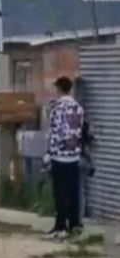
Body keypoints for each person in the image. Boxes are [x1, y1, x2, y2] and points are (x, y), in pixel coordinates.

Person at [44, 76, 84, 239]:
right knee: (73, 192)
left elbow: (54, 134)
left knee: (60, 193)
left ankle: (60, 226)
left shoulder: (57, 108)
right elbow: (79, 131)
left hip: (60, 156)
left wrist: (48, 156)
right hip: (74, 156)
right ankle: (74, 225)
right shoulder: (78, 108)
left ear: (59, 89)